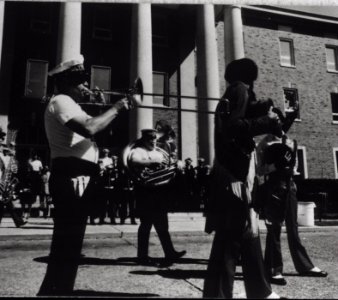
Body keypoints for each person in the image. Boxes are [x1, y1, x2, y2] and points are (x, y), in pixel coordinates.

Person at [37, 54, 137, 296]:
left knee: (69, 243)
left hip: (78, 175)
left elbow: (95, 131)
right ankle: (56, 291)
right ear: (68, 82)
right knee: (67, 244)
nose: (86, 87)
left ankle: (55, 291)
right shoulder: (61, 101)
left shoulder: (72, 105)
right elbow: (90, 127)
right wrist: (116, 107)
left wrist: (105, 109)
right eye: (81, 83)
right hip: (72, 175)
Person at [203, 58, 284, 299]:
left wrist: (265, 108)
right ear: (250, 75)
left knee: (247, 234)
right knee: (231, 238)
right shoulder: (239, 89)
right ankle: (217, 295)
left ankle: (259, 289)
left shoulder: (236, 92)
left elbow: (241, 118)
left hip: (233, 171)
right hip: (234, 174)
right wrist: (266, 122)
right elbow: (233, 127)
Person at [257, 133, 328, 286]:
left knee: (293, 228)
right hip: (274, 188)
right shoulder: (263, 144)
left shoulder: (291, 142)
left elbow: (294, 168)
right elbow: (260, 170)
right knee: (274, 229)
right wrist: (275, 166)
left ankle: (305, 266)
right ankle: (274, 269)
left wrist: (291, 167)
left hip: (290, 187)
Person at [128, 129, 186, 266]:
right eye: (150, 139)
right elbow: (133, 160)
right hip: (145, 192)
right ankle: (142, 256)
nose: (153, 141)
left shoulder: (159, 152)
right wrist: (150, 163)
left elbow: (169, 163)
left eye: (154, 139)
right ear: (144, 139)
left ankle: (170, 252)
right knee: (146, 224)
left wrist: (178, 164)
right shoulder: (138, 150)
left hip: (159, 192)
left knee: (163, 225)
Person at [0, 140, 26, 228]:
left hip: (4, 182)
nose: (3, 147)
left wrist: (14, 167)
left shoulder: (5, 157)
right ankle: (18, 221)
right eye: (2, 145)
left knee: (6, 203)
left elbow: (10, 169)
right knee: (7, 203)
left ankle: (18, 221)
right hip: (1, 183)